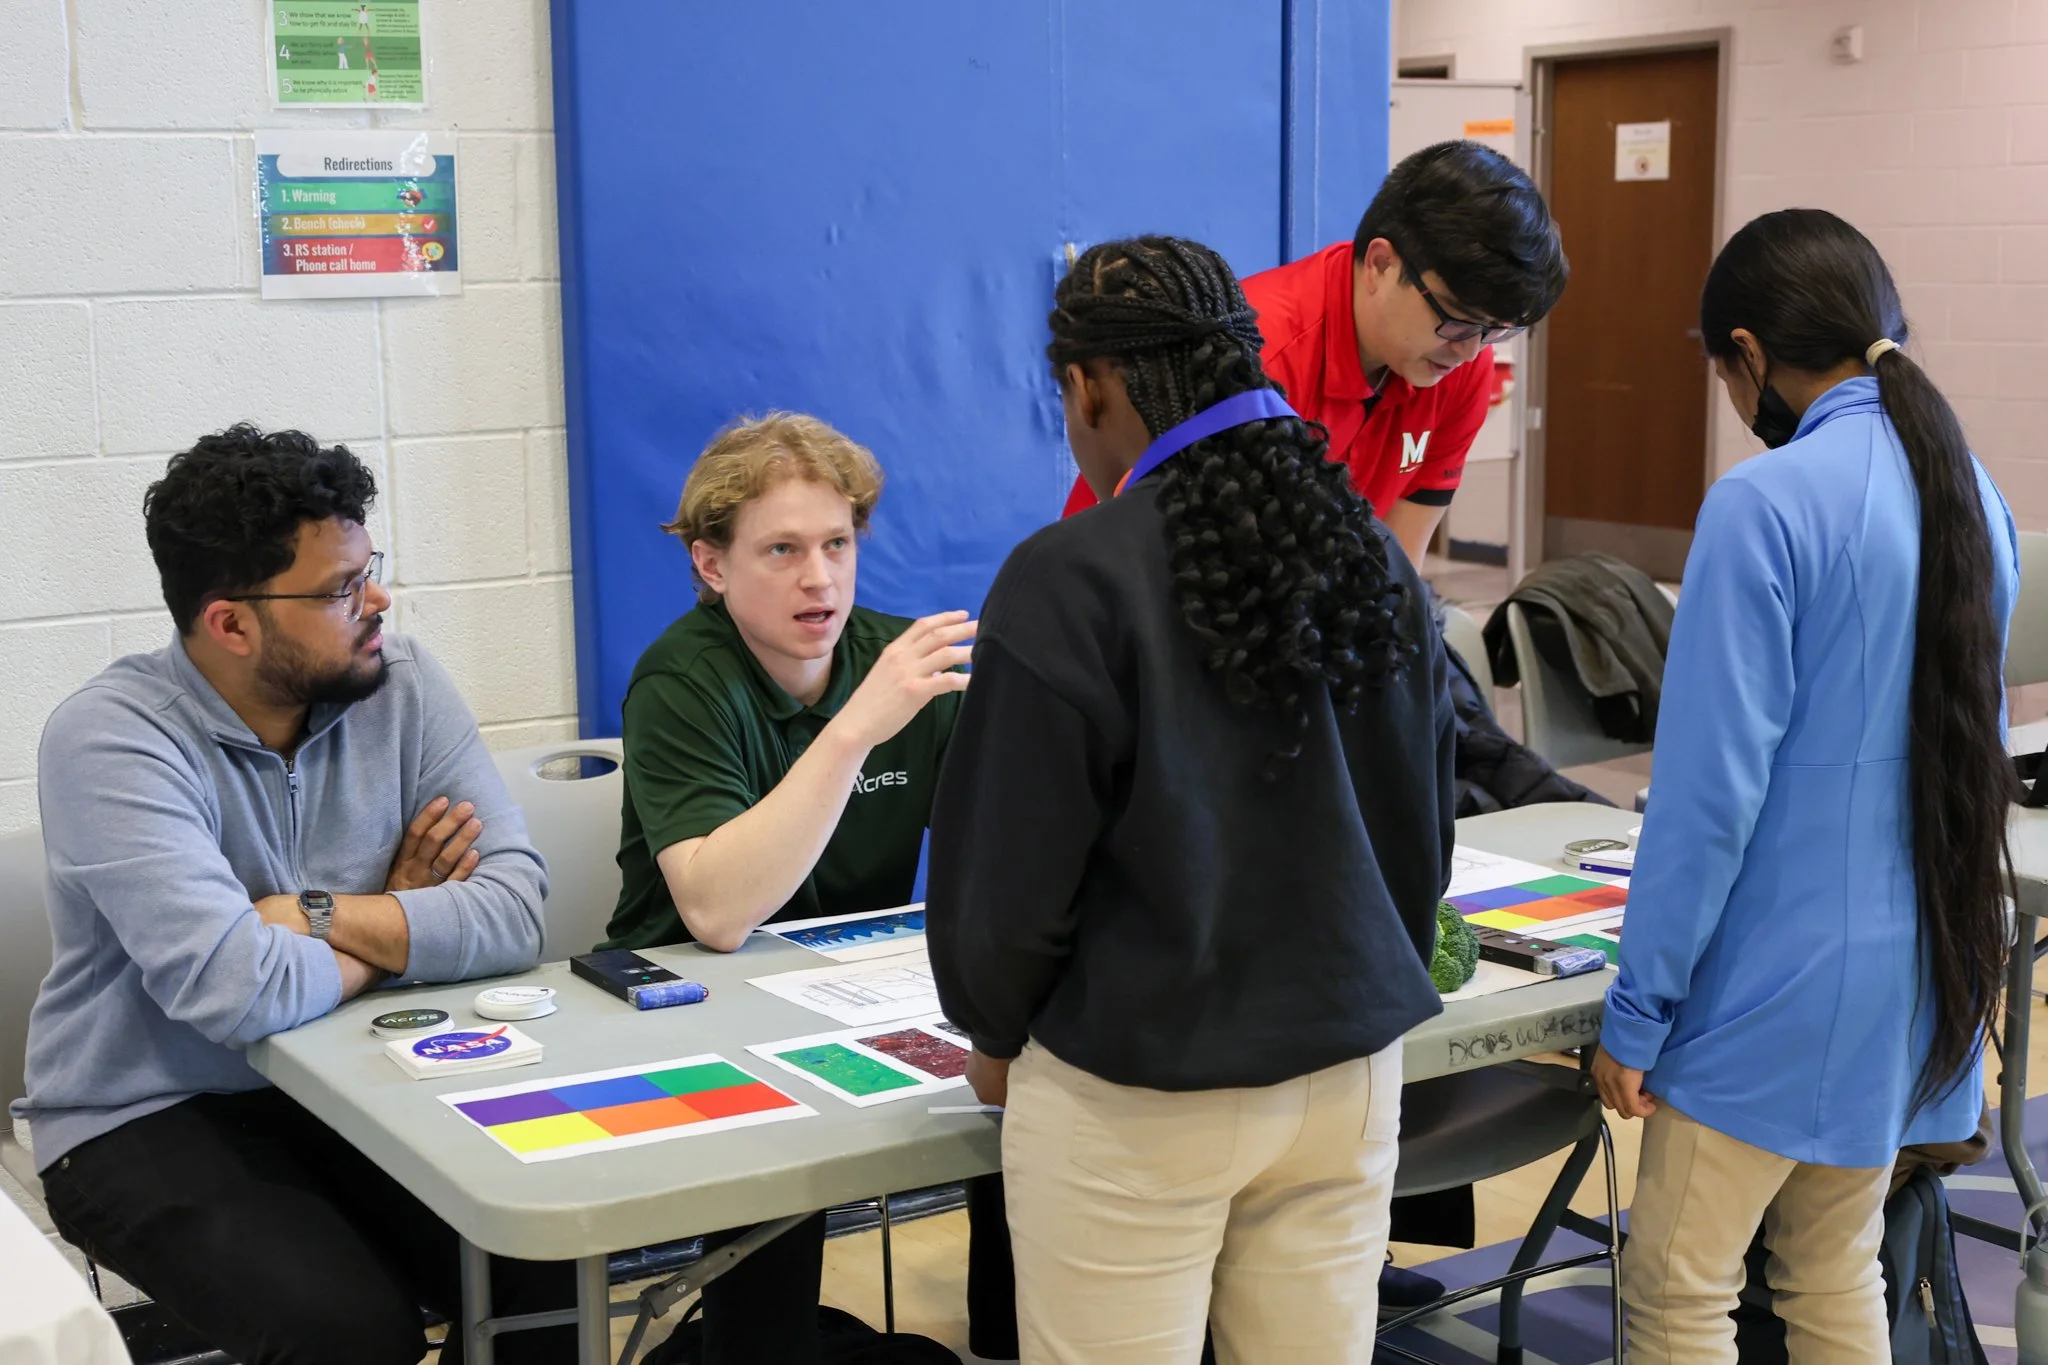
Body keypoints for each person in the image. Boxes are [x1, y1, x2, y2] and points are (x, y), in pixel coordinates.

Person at [927, 235, 1456, 1363]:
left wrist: (993, 1029)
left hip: (1139, 1088)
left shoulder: (1066, 577)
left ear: (1090, 384)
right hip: (1349, 1073)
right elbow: (1422, 832)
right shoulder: (1369, 556)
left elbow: (1005, 888)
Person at [15, 425, 572, 1364]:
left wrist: (313, 915)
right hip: (147, 1111)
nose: (378, 601)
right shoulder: (110, 740)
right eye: (341, 589)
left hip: (359, 1076)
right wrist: (401, 921)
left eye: (370, 568)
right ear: (231, 623)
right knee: (344, 1334)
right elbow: (238, 990)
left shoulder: (402, 684)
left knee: (545, 1270)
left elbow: (516, 909)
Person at [1591, 208, 2019, 1363]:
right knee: (1830, 1271)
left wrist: (1636, 1010)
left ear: (1745, 355)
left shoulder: (1761, 504)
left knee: (1676, 1293)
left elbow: (1705, 798)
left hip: (1769, 990)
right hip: (1914, 983)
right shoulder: (1970, 495)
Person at [604, 412, 1015, 1363]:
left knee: (1025, 1069)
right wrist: (853, 731)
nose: (819, 578)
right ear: (712, 565)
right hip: (689, 1003)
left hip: (841, 988)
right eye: (781, 550)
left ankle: (1010, 1339)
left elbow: (997, 858)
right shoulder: (683, 678)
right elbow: (714, 910)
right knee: (769, 1175)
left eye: (836, 544)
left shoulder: (899, 661)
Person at [1059, 141, 1567, 570]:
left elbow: (1397, 565)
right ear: (1381, 264)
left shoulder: (1461, 359)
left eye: (1498, 331)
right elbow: (1132, 565)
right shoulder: (1248, 363)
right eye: (1457, 318)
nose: (1471, 350)